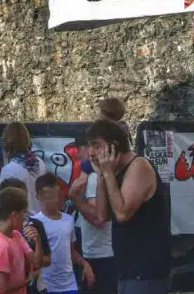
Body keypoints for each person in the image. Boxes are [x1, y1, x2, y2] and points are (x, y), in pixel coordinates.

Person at [87, 119, 170, 294]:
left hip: (145, 272)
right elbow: (102, 215)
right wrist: (101, 175)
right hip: (127, 271)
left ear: (114, 145)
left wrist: (108, 173)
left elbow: (122, 214)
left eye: (96, 145)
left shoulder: (139, 166)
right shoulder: (114, 172)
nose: (91, 152)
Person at [34, 173, 95, 294]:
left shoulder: (68, 220)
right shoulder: (35, 223)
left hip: (69, 285)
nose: (54, 201)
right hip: (47, 287)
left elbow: (70, 252)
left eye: (56, 196)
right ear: (39, 197)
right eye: (49, 198)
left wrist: (84, 263)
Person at [68, 142, 115, 294]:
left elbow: (98, 218)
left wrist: (77, 201)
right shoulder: (91, 175)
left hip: (102, 254)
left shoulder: (95, 177)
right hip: (96, 251)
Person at [0, 178, 51, 294]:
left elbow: (46, 260)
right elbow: (1, 283)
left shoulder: (35, 225)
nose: (26, 206)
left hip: (34, 288)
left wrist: (37, 242)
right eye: (21, 201)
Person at [0, 187, 40, 294]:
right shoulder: (1, 246)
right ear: (14, 215)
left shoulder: (16, 235)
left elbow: (36, 263)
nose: (25, 218)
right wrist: (30, 279)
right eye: (24, 213)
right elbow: (4, 288)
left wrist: (37, 240)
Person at [0, 123, 47, 215]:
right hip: (40, 218)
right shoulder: (41, 163)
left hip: (21, 220)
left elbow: (3, 203)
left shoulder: (9, 170)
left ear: (7, 141)